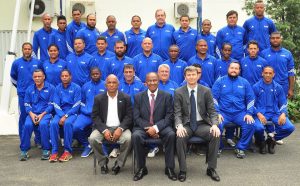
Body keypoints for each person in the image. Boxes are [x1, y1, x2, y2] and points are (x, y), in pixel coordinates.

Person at [174, 66, 220, 182]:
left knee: (215, 134)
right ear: (185, 77)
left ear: (198, 76)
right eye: (188, 75)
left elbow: (212, 111)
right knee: (180, 137)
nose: (191, 77)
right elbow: (177, 112)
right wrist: (179, 126)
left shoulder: (206, 90)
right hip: (187, 124)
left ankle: (211, 168)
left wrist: (214, 125)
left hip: (201, 124)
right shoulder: (178, 92)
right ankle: (183, 170)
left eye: (193, 74)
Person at [132, 72, 176, 181]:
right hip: (143, 127)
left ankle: (169, 168)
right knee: (136, 136)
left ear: (158, 81)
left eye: (154, 80)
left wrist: (156, 128)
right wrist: (149, 128)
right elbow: (136, 117)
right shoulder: (138, 97)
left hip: (162, 126)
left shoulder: (167, 96)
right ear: (145, 83)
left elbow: (169, 116)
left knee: (171, 134)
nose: (152, 82)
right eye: (149, 81)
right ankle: (141, 168)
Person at [89, 74, 133, 175]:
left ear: (118, 84)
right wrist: (104, 130)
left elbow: (129, 116)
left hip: (120, 127)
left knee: (129, 138)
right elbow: (95, 117)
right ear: (106, 85)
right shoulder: (98, 98)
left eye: (114, 82)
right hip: (104, 128)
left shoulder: (126, 97)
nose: (112, 85)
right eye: (109, 82)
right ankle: (103, 162)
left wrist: (120, 129)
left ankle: (119, 163)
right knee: (92, 138)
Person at [212, 62, 256, 159]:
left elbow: (251, 98)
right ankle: (218, 147)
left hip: (240, 113)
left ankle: (241, 147)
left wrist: (249, 113)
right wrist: (217, 112)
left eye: (236, 68)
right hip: (223, 112)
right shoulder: (220, 81)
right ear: (228, 69)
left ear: (239, 70)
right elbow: (213, 98)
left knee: (250, 124)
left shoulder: (244, 82)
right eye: (232, 68)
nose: (234, 70)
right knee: (216, 124)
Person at [253, 66, 295, 154]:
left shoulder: (278, 87)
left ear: (273, 74)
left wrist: (283, 113)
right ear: (262, 74)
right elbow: (251, 104)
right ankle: (261, 142)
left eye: (270, 73)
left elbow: (283, 103)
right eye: (266, 73)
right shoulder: (256, 87)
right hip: (261, 113)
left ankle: (272, 139)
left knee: (289, 127)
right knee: (258, 128)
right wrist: (258, 114)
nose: (268, 75)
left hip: (275, 113)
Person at [19, 69, 55, 161]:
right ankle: (24, 150)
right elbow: (26, 104)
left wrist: (42, 115)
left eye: (39, 76)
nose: (37, 78)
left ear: (44, 77)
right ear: (32, 78)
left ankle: (46, 149)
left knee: (43, 124)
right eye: (35, 77)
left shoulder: (51, 88)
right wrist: (31, 114)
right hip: (32, 113)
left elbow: (51, 105)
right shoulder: (29, 89)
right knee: (27, 125)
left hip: (46, 114)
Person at [10, 42, 42, 142]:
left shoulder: (38, 62)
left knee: (37, 116)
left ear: (32, 50)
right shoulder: (16, 63)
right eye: (25, 49)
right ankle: (24, 140)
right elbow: (13, 78)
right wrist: (21, 87)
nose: (27, 51)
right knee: (24, 117)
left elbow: (41, 76)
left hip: (36, 94)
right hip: (23, 95)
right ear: (22, 50)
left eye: (29, 49)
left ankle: (38, 139)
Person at [73, 67, 106, 158]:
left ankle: (102, 147)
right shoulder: (85, 86)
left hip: (101, 115)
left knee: (104, 129)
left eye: (97, 74)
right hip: (86, 114)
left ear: (100, 74)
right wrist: (86, 110)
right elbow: (82, 102)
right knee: (75, 127)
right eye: (93, 74)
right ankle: (88, 145)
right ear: (90, 75)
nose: (95, 75)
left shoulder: (106, 85)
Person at [49, 69, 81, 162]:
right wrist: (62, 115)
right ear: (60, 77)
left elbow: (77, 105)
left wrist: (66, 116)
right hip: (60, 113)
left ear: (70, 76)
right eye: (62, 76)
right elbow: (56, 104)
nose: (64, 78)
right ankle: (54, 152)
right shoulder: (57, 88)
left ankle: (67, 151)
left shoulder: (76, 88)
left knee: (67, 124)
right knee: (53, 123)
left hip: (72, 113)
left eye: (66, 76)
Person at [261, 32, 295, 99]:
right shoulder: (263, 53)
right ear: (270, 40)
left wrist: (291, 89)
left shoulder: (287, 53)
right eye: (273, 38)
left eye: (277, 38)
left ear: (281, 39)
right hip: (267, 85)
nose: (275, 40)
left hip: (283, 85)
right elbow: (260, 71)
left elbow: (291, 72)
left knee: (282, 108)